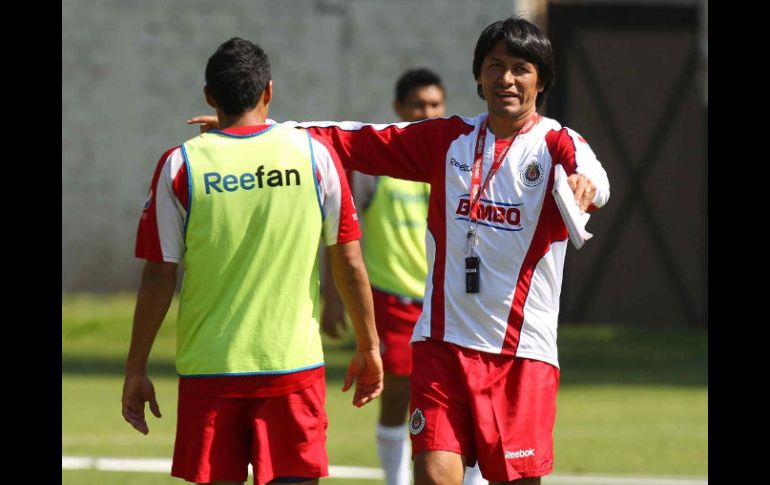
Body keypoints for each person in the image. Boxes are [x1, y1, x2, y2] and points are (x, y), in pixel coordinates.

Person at [190, 16, 610, 485]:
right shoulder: (448, 139)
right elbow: (355, 139)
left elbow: (595, 178)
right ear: (478, 75)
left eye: (520, 68)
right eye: (494, 66)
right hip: (442, 345)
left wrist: (583, 187)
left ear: (543, 78)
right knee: (432, 474)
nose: (506, 79)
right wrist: (259, 131)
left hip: (521, 355)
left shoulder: (557, 143)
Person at [122, 37, 383, 485]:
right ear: (269, 91)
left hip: (210, 371)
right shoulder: (315, 156)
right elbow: (350, 263)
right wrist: (369, 345)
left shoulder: (181, 164)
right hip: (293, 368)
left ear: (209, 96)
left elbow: (159, 275)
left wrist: (136, 368)